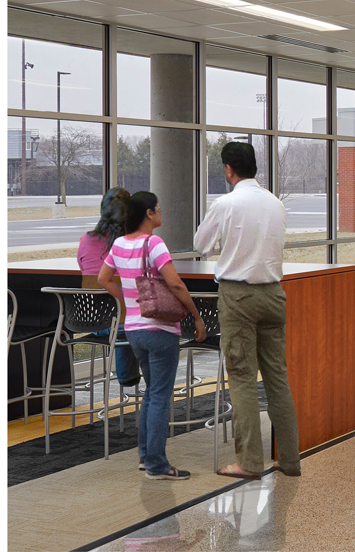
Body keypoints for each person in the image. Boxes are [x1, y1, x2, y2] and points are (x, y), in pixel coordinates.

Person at [193, 140, 297, 481]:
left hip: (238, 296)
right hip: (273, 294)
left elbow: (200, 245)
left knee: (242, 380)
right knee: (277, 378)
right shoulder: (275, 203)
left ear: (228, 169)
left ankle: (249, 462)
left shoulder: (226, 203)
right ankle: (290, 460)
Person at [103, 189, 205, 481]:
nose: (161, 213)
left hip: (134, 329)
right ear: (148, 213)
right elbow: (175, 284)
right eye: (158, 209)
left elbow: (103, 278)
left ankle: (145, 457)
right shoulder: (154, 243)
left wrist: (127, 300)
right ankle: (157, 466)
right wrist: (196, 316)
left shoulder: (120, 243)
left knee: (151, 393)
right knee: (160, 395)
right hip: (160, 329)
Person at [76, 188, 143, 398]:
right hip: (126, 324)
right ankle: (136, 381)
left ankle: (128, 377)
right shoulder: (134, 244)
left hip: (94, 322)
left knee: (119, 316)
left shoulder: (86, 240)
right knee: (130, 317)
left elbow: (84, 268)